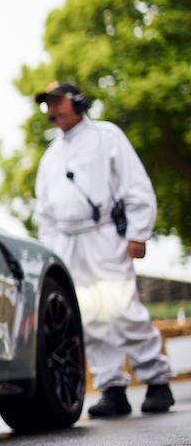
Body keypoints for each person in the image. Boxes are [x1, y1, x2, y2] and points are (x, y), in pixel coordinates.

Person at [33, 82, 174, 417]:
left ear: (78, 102)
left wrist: (138, 232)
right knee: (89, 315)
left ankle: (157, 381)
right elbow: (45, 212)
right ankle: (112, 389)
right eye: (47, 105)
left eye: (58, 102)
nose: (52, 111)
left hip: (105, 236)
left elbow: (136, 185)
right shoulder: (50, 156)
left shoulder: (107, 137)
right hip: (67, 243)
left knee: (122, 308)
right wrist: (50, 252)